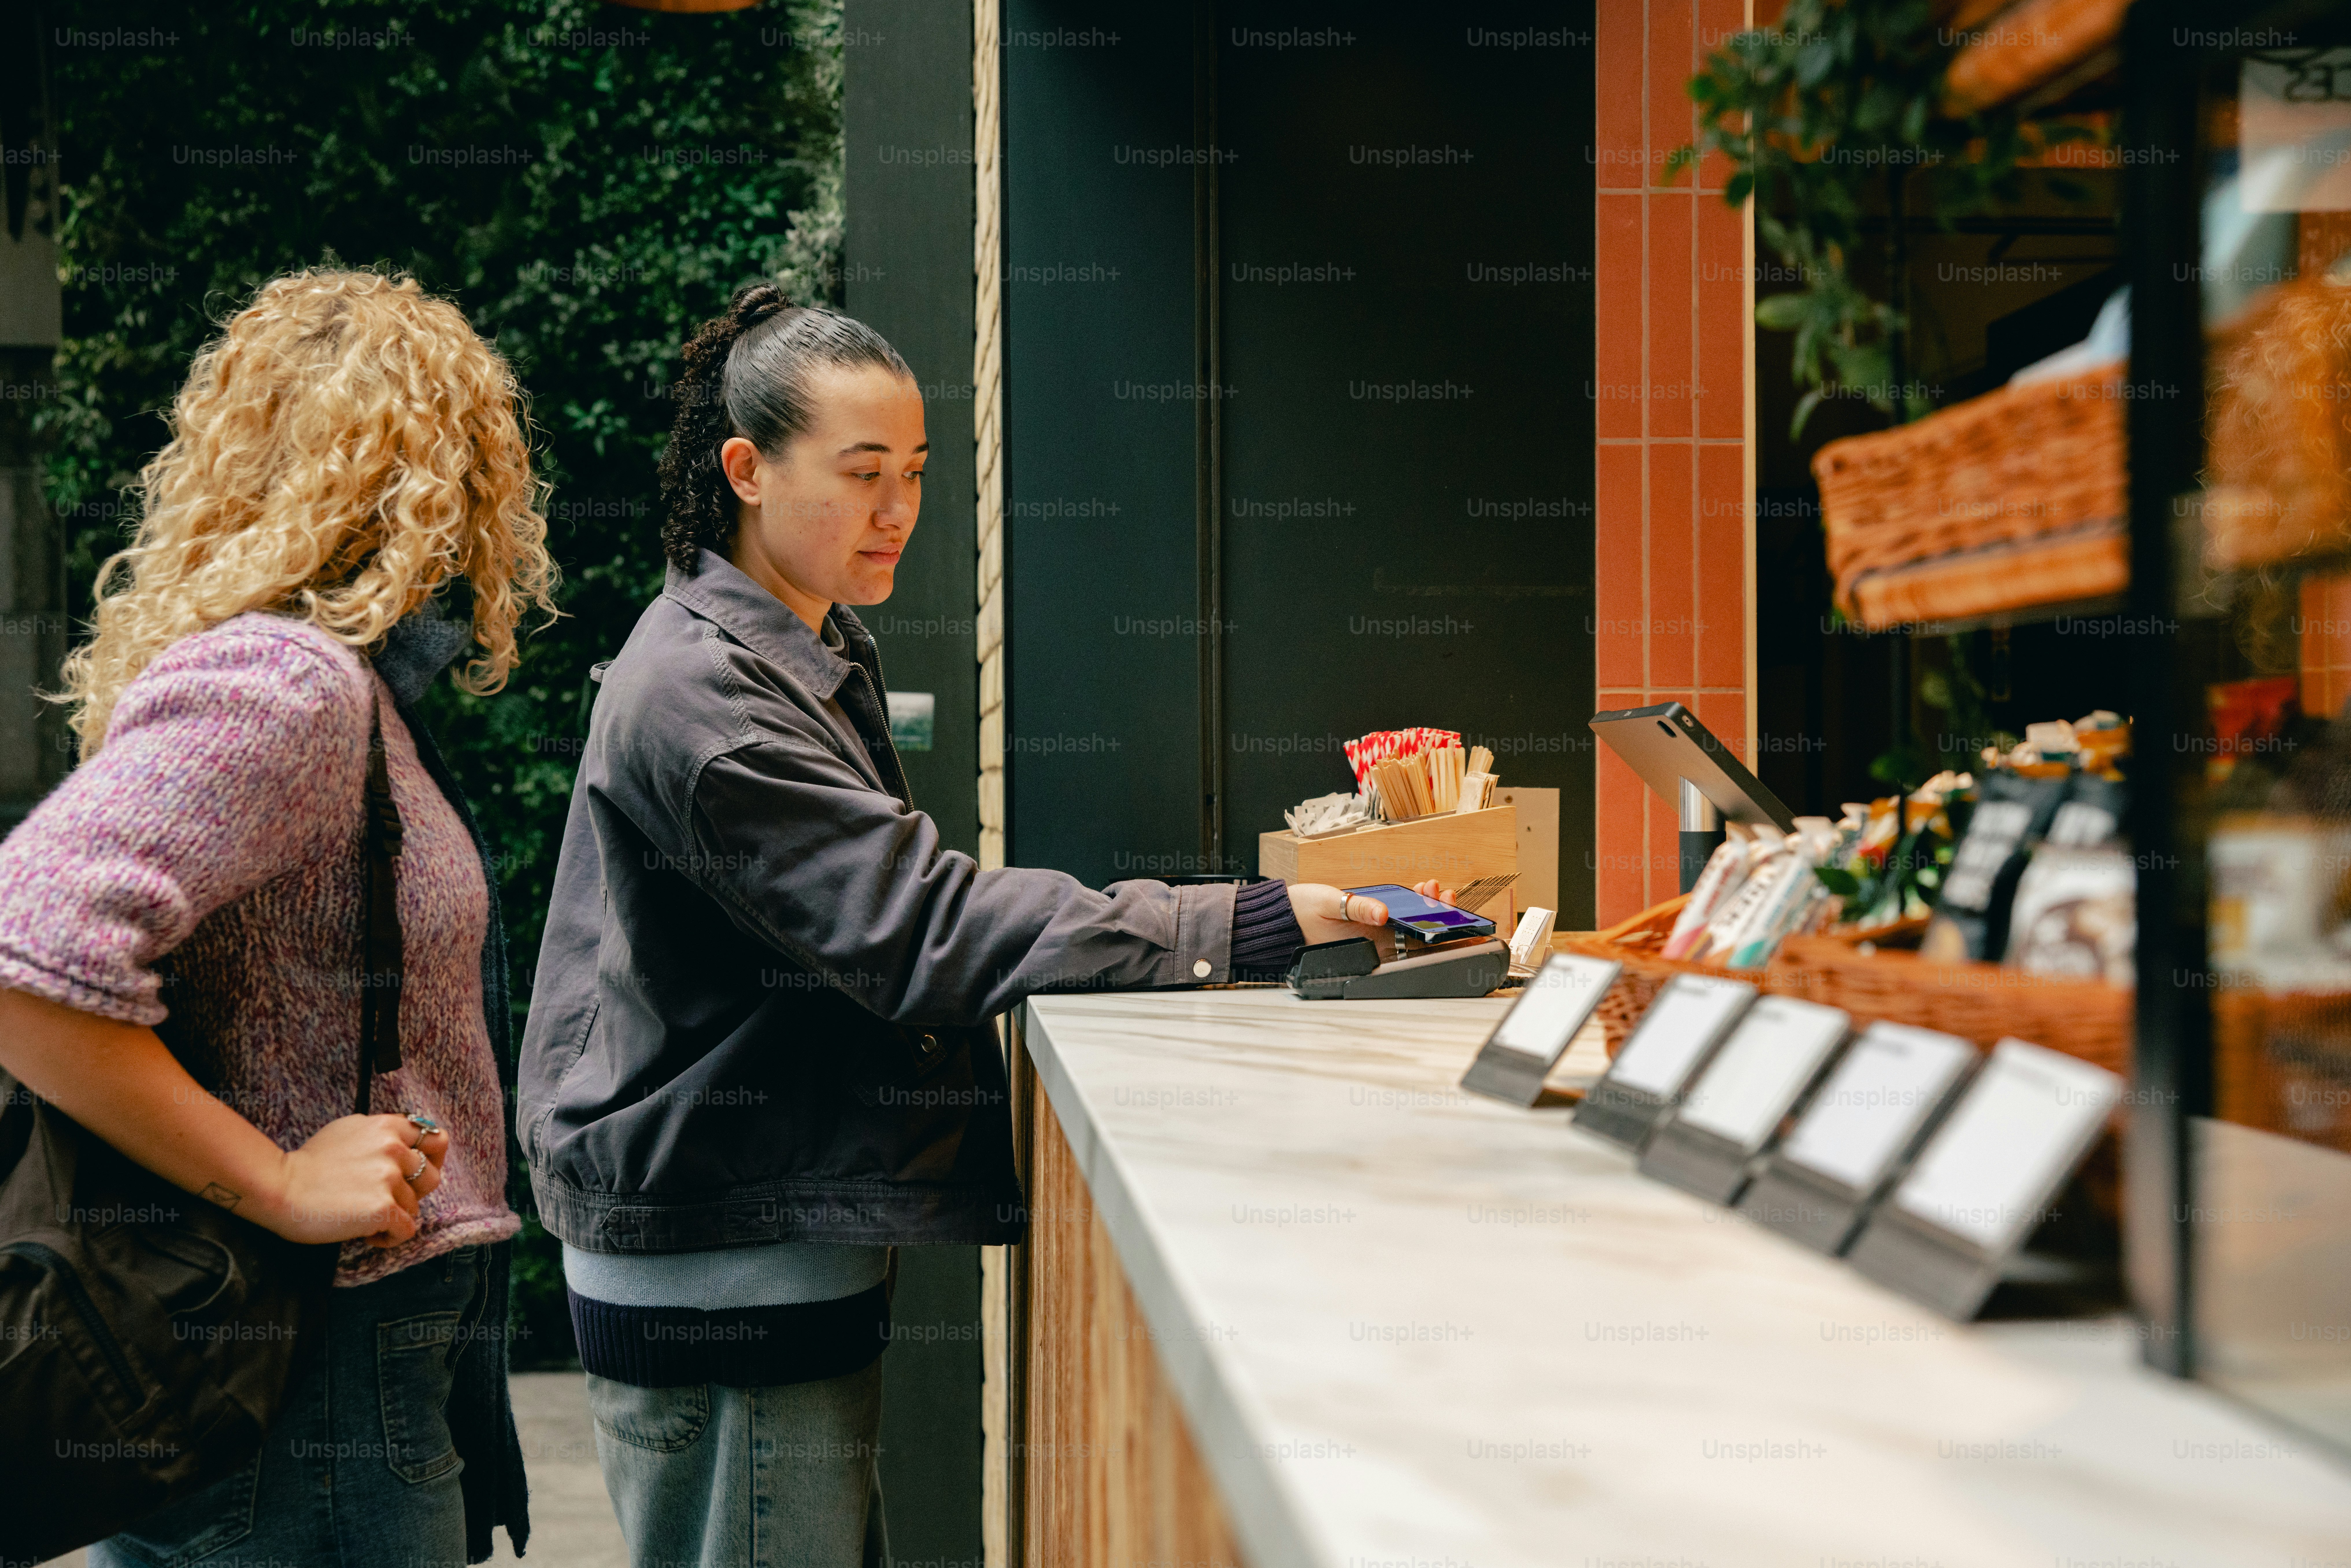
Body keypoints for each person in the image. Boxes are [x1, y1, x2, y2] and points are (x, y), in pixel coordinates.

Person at [520, 282, 1453, 1567]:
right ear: (745, 469)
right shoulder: (710, 700)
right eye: (860, 473)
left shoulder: (782, 646)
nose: (898, 509)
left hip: (744, 1246)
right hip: (725, 1275)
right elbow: (916, 927)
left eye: (912, 469)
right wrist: (1245, 922)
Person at [0, 269, 558, 1566]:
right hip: (303, 1380)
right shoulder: (290, 682)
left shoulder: (337, 690)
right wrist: (284, 1179)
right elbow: (24, 953)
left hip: (340, 1365)